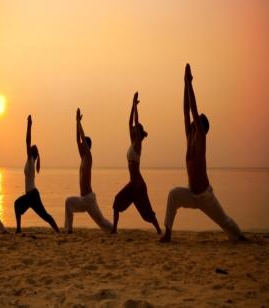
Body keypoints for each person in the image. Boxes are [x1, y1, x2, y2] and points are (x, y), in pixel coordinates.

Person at [160, 64, 245, 242]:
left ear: (201, 128)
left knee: (226, 222)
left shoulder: (201, 139)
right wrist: (184, 83)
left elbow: (192, 110)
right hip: (191, 194)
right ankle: (167, 234)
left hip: (205, 196)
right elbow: (185, 113)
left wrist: (190, 83)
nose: (191, 123)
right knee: (173, 195)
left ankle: (239, 236)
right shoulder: (189, 137)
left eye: (196, 123)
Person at [112, 92, 161, 234]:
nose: (132, 129)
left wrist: (135, 106)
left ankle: (159, 230)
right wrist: (132, 105)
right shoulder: (132, 142)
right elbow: (129, 122)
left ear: (138, 133)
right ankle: (114, 230)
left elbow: (135, 121)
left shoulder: (138, 144)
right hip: (132, 184)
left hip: (138, 185)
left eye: (135, 129)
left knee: (147, 213)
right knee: (117, 202)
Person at [64, 108, 113, 233]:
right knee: (68, 203)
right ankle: (68, 229)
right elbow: (77, 140)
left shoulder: (89, 156)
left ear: (88, 146)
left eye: (84, 144)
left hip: (89, 199)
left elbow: (81, 138)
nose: (81, 146)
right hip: (83, 200)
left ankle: (114, 230)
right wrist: (76, 122)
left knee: (102, 221)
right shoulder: (83, 158)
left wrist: (79, 122)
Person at [14, 115, 59, 234]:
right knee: (17, 205)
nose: (30, 148)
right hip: (30, 195)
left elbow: (27, 140)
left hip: (32, 195)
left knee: (44, 215)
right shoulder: (30, 162)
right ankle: (18, 229)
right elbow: (28, 143)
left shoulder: (30, 160)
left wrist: (29, 125)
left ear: (32, 153)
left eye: (31, 148)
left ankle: (58, 231)